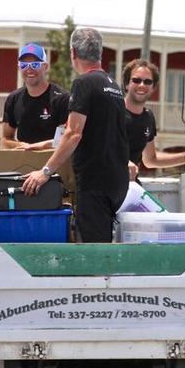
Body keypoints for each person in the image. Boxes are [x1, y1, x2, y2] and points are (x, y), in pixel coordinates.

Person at [21, 27, 129, 242]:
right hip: (117, 181)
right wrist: (46, 145)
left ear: (73, 53)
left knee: (94, 251)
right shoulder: (113, 85)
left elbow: (73, 133)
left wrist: (45, 172)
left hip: (95, 182)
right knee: (101, 242)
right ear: (99, 53)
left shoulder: (84, 83)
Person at [122, 59, 185, 178]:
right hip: (105, 187)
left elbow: (151, 159)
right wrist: (123, 163)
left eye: (147, 82)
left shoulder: (148, 117)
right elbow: (98, 148)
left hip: (131, 186)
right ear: (127, 84)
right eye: (136, 80)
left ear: (153, 87)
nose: (142, 85)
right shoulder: (112, 111)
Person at [0, 43, 69, 150]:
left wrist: (38, 146)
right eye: (24, 65)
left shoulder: (61, 99)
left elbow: (66, 139)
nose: (29, 69)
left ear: (45, 67)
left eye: (35, 65)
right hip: (23, 163)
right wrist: (20, 146)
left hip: (53, 163)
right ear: (19, 67)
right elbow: (5, 139)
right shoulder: (13, 99)